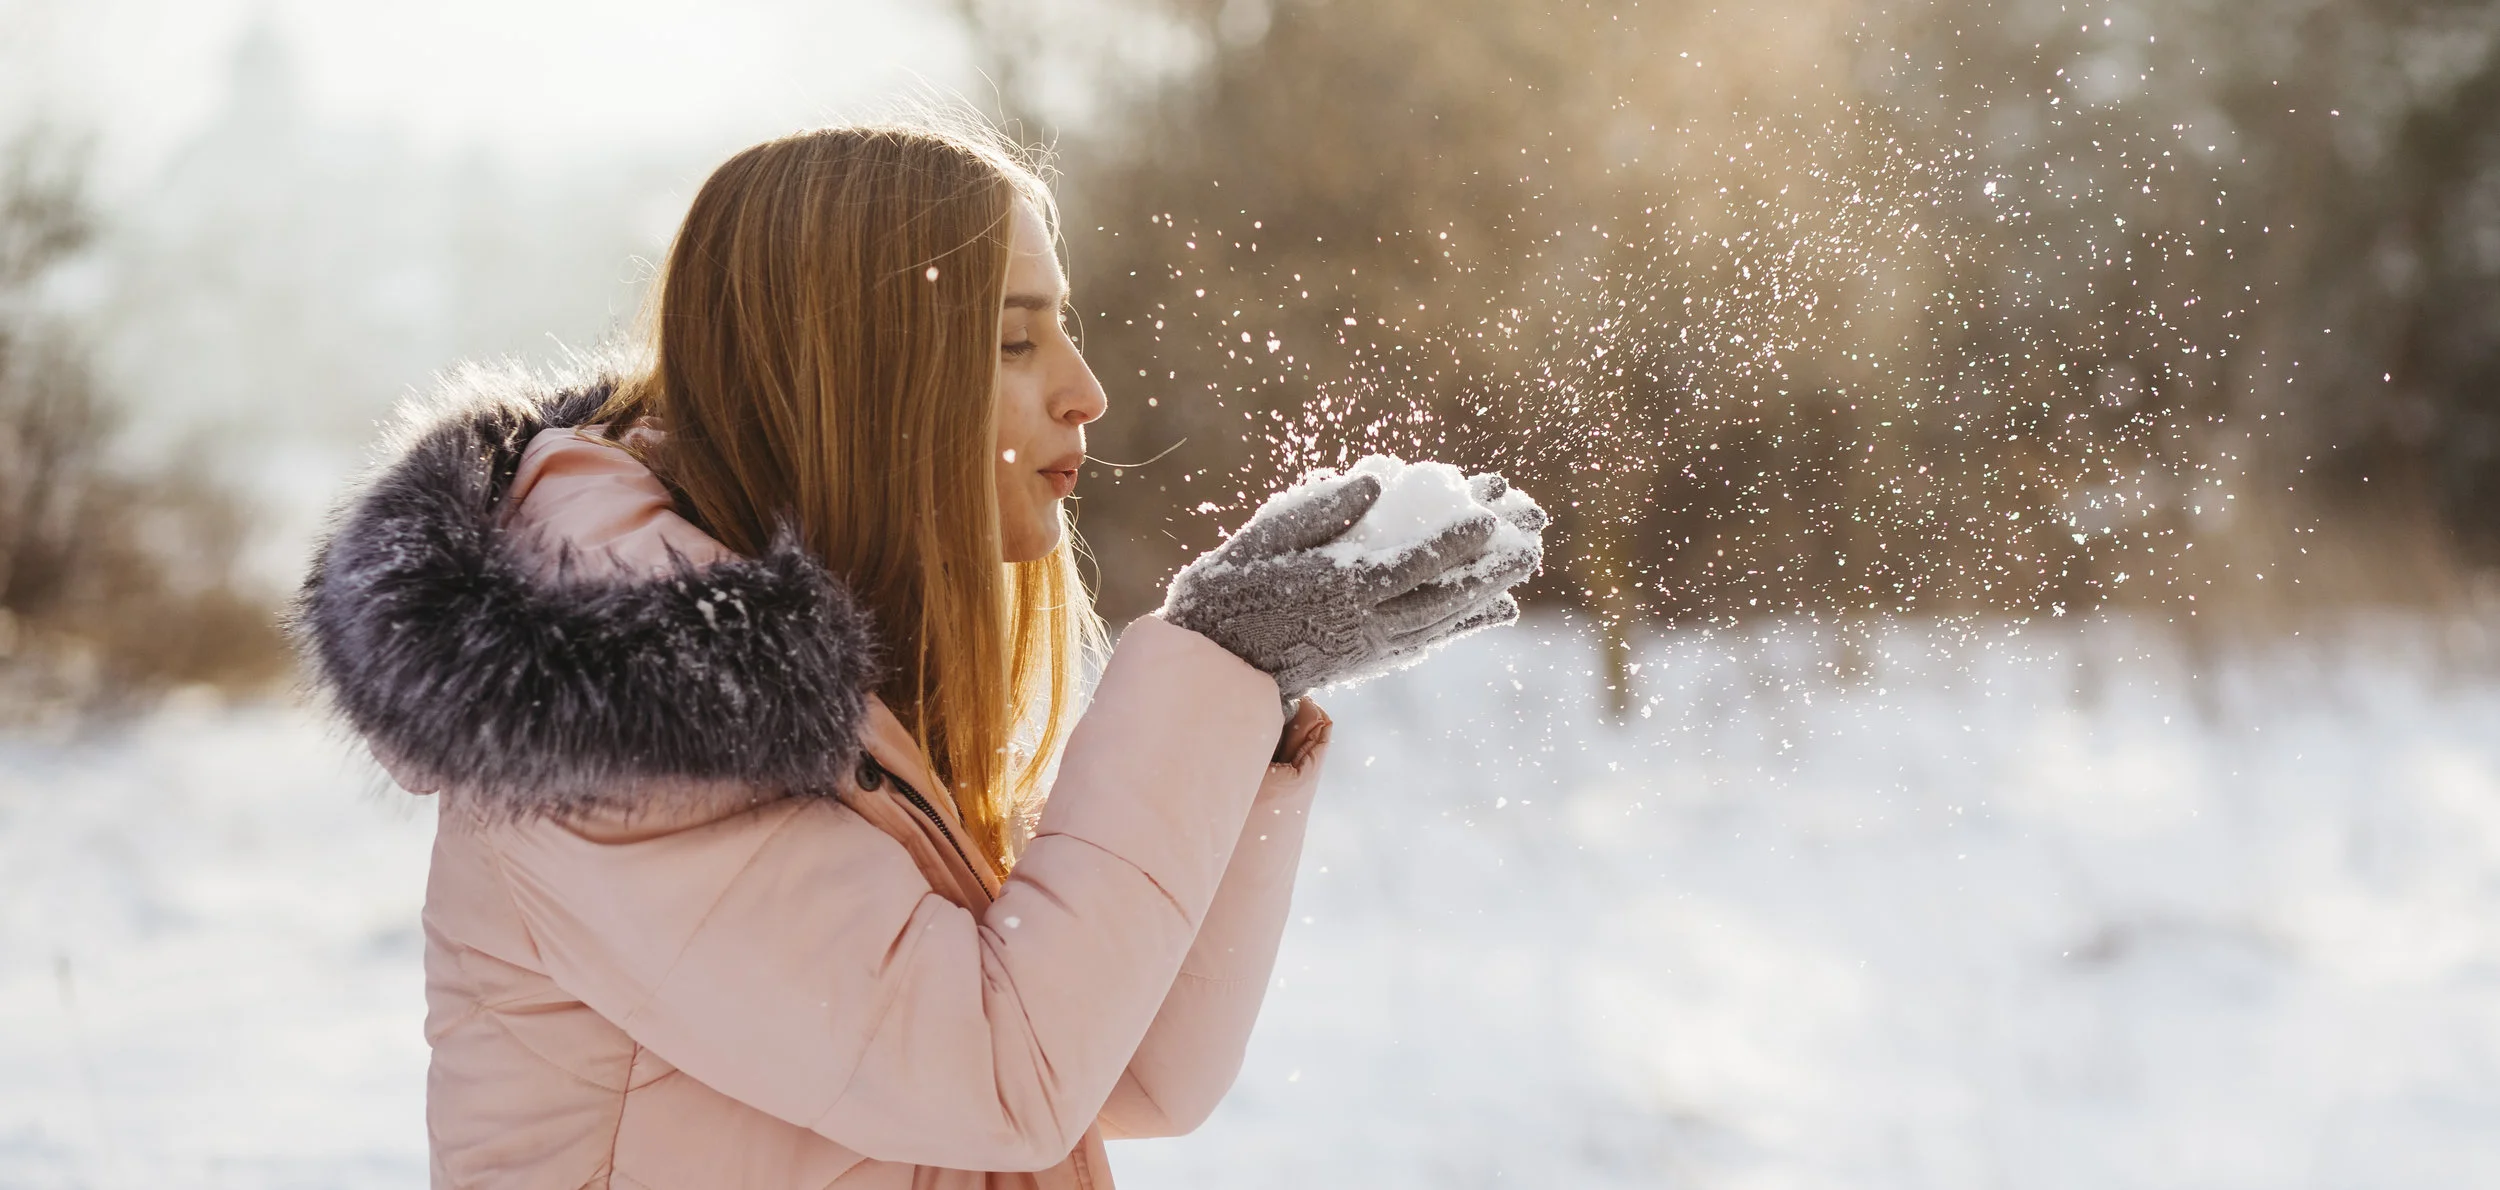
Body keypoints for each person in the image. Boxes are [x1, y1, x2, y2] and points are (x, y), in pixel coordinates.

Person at [293, 120, 1541, 1189]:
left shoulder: (829, 689)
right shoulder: (623, 729)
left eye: (1063, 329)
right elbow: (1003, 1072)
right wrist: (1211, 657)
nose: (1085, 390)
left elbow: (1129, 1067)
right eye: (1013, 340)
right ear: (859, 368)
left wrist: (1245, 697)